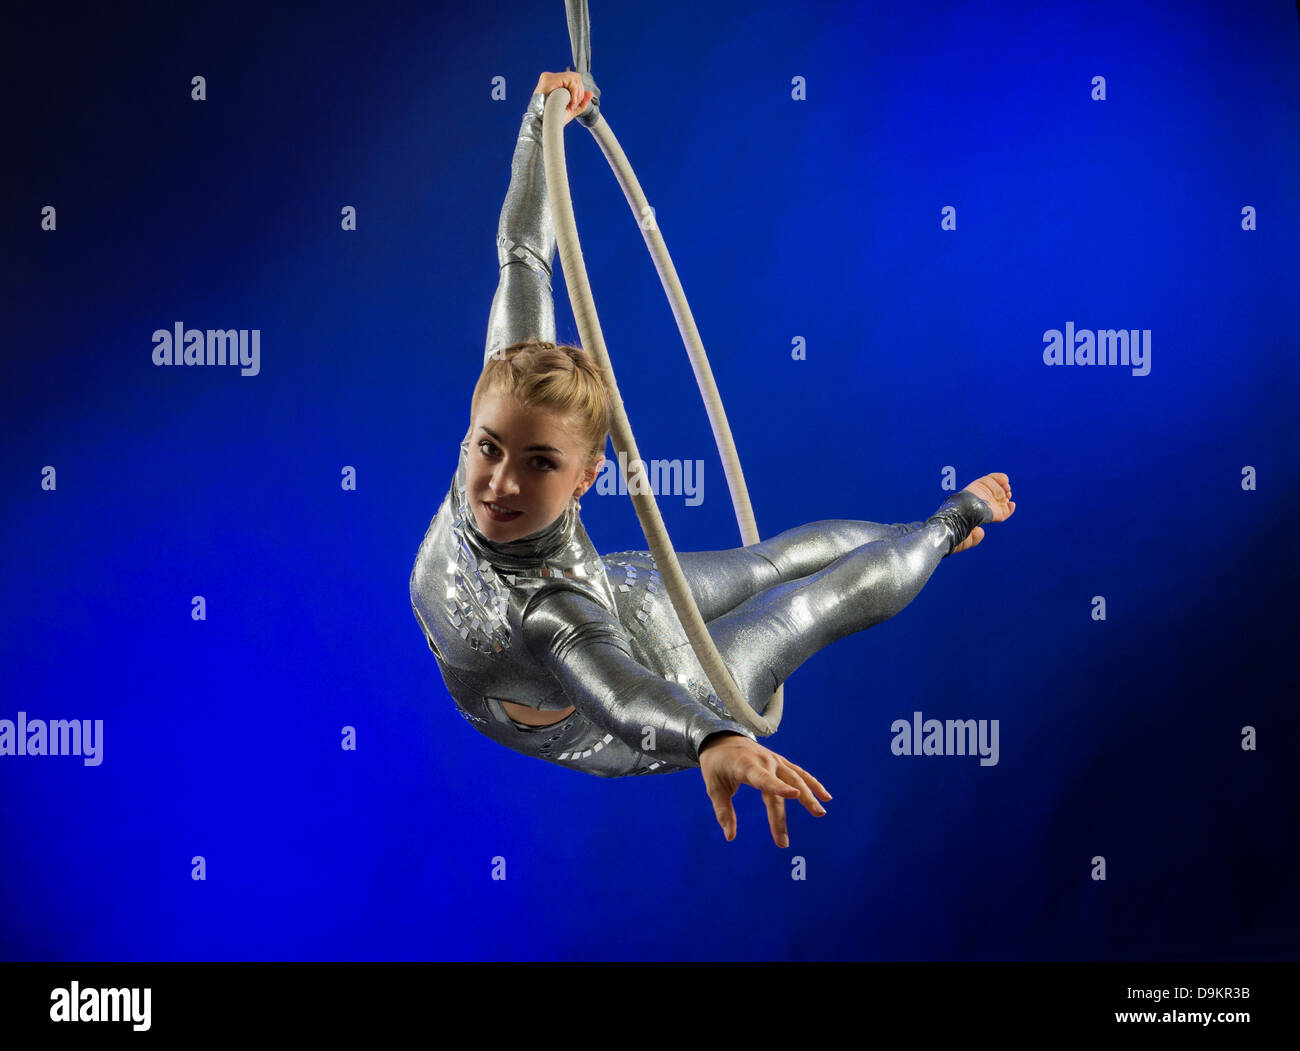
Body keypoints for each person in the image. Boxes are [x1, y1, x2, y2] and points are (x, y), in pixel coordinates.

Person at [410, 71, 1016, 848]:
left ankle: (945, 521)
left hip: (673, 687)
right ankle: (917, 532)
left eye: (538, 464)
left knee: (798, 595)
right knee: (764, 566)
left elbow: (624, 692)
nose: (500, 480)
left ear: (588, 478)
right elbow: (524, 253)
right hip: (627, 606)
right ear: (474, 424)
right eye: (489, 449)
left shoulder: (554, 609)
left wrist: (713, 738)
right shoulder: (507, 382)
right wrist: (540, 119)